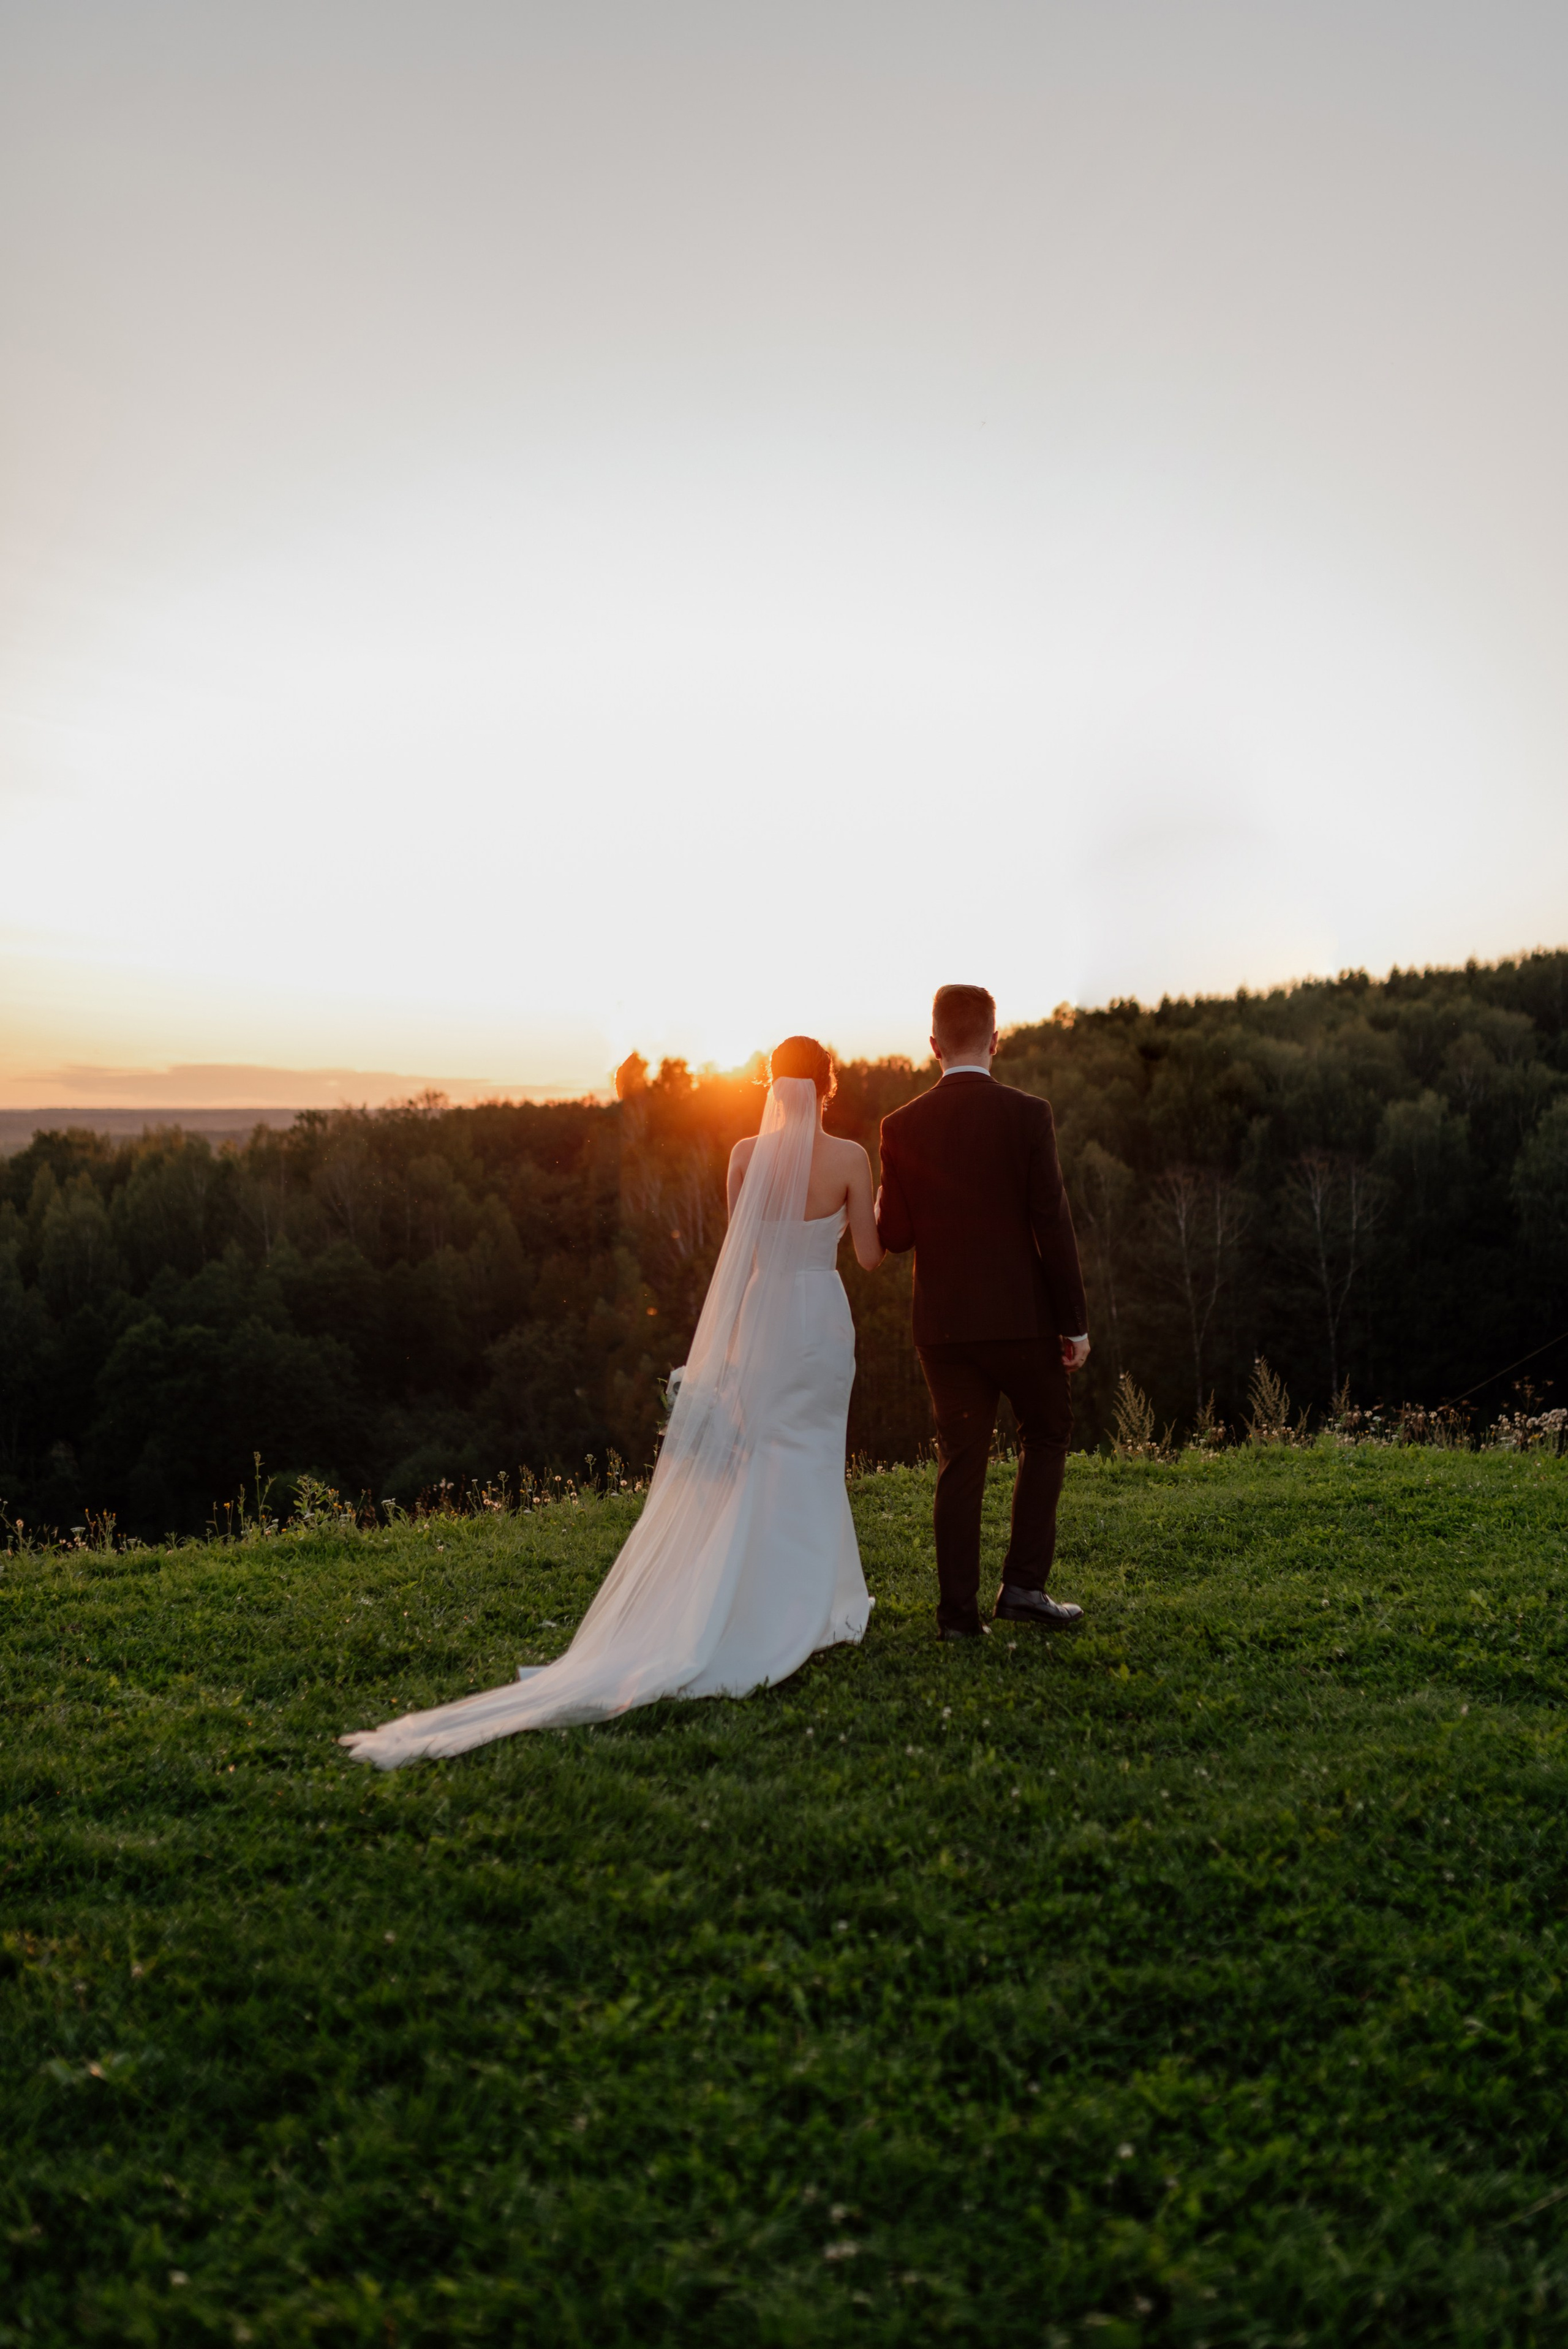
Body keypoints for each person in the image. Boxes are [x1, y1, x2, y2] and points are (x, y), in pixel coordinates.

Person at [341, 1037, 885, 1765]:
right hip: (818, 1321)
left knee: (760, 1455)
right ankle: (809, 1604)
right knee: (812, 1454)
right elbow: (873, 1257)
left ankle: (752, 1599)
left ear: (767, 1083)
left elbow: (740, 1256)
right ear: (828, 1085)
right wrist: (880, 1205)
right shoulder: (851, 1157)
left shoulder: (745, 1157)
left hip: (761, 1318)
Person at [875, 983, 1090, 1641]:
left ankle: (957, 1618)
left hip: (943, 1328)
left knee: (960, 1461)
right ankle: (1023, 1585)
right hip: (1022, 1319)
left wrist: (889, 1193)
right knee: (1046, 1432)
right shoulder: (1029, 1115)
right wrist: (1073, 1322)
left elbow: (895, 1238)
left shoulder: (899, 1126)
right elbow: (1050, 1222)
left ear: (933, 1045)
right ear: (996, 1040)